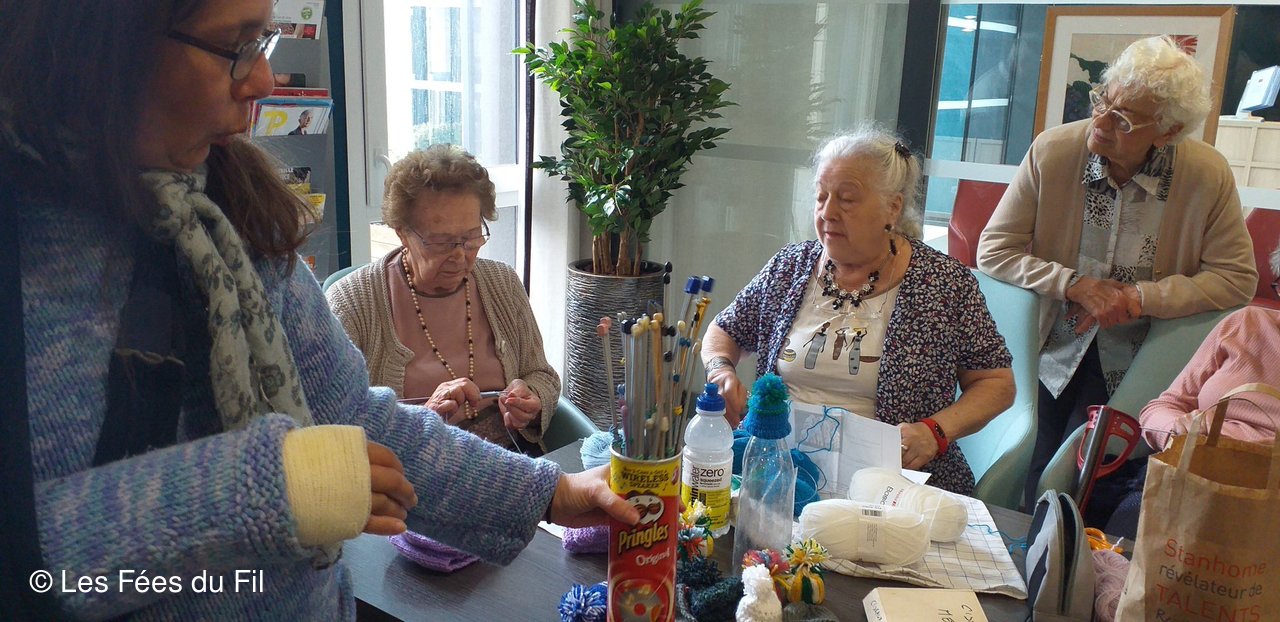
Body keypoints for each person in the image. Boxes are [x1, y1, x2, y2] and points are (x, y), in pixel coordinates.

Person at [0, 1, 636, 620]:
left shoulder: (236, 217)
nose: (262, 79)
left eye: (263, 41)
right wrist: (253, 492)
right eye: (234, 46)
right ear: (102, 43)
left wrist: (548, 492)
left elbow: (353, 418)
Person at [976, 36, 1258, 508]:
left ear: (1168, 131)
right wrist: (1073, 284)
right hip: (1048, 346)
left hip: (1138, 358)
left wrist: (1139, 298)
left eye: (1124, 119)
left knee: (1089, 488)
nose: (1101, 123)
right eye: (1102, 101)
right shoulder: (1054, 152)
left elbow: (1236, 277)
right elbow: (993, 249)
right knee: (1024, 472)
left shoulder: (1206, 176)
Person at [703, 126, 1015, 495]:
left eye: (847, 199)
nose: (828, 212)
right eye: (821, 197)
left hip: (894, 482)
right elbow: (724, 330)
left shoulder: (943, 283)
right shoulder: (790, 266)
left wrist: (935, 432)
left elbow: (996, 383)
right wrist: (720, 370)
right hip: (780, 470)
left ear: (892, 207)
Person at [326, 146, 558, 453]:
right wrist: (421, 421)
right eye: (441, 242)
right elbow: (333, 424)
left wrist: (532, 399)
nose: (460, 255)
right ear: (402, 233)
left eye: (471, 237)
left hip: (511, 457)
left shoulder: (502, 282)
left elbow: (541, 374)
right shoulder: (352, 303)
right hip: (413, 467)